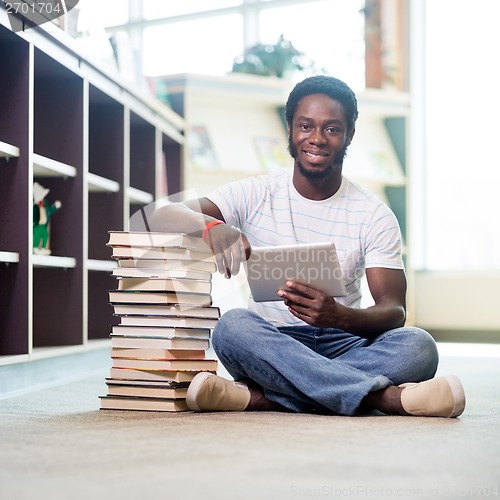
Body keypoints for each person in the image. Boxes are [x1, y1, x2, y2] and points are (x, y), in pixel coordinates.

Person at [148, 75, 465, 418]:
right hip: (272, 343)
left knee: (419, 347)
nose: (316, 139)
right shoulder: (256, 193)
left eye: (331, 129)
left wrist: (338, 315)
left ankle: (261, 398)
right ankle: (383, 399)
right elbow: (160, 215)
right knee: (232, 328)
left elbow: (394, 310)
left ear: (349, 135)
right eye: (306, 126)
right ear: (290, 129)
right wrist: (212, 227)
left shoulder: (373, 214)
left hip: (345, 343)